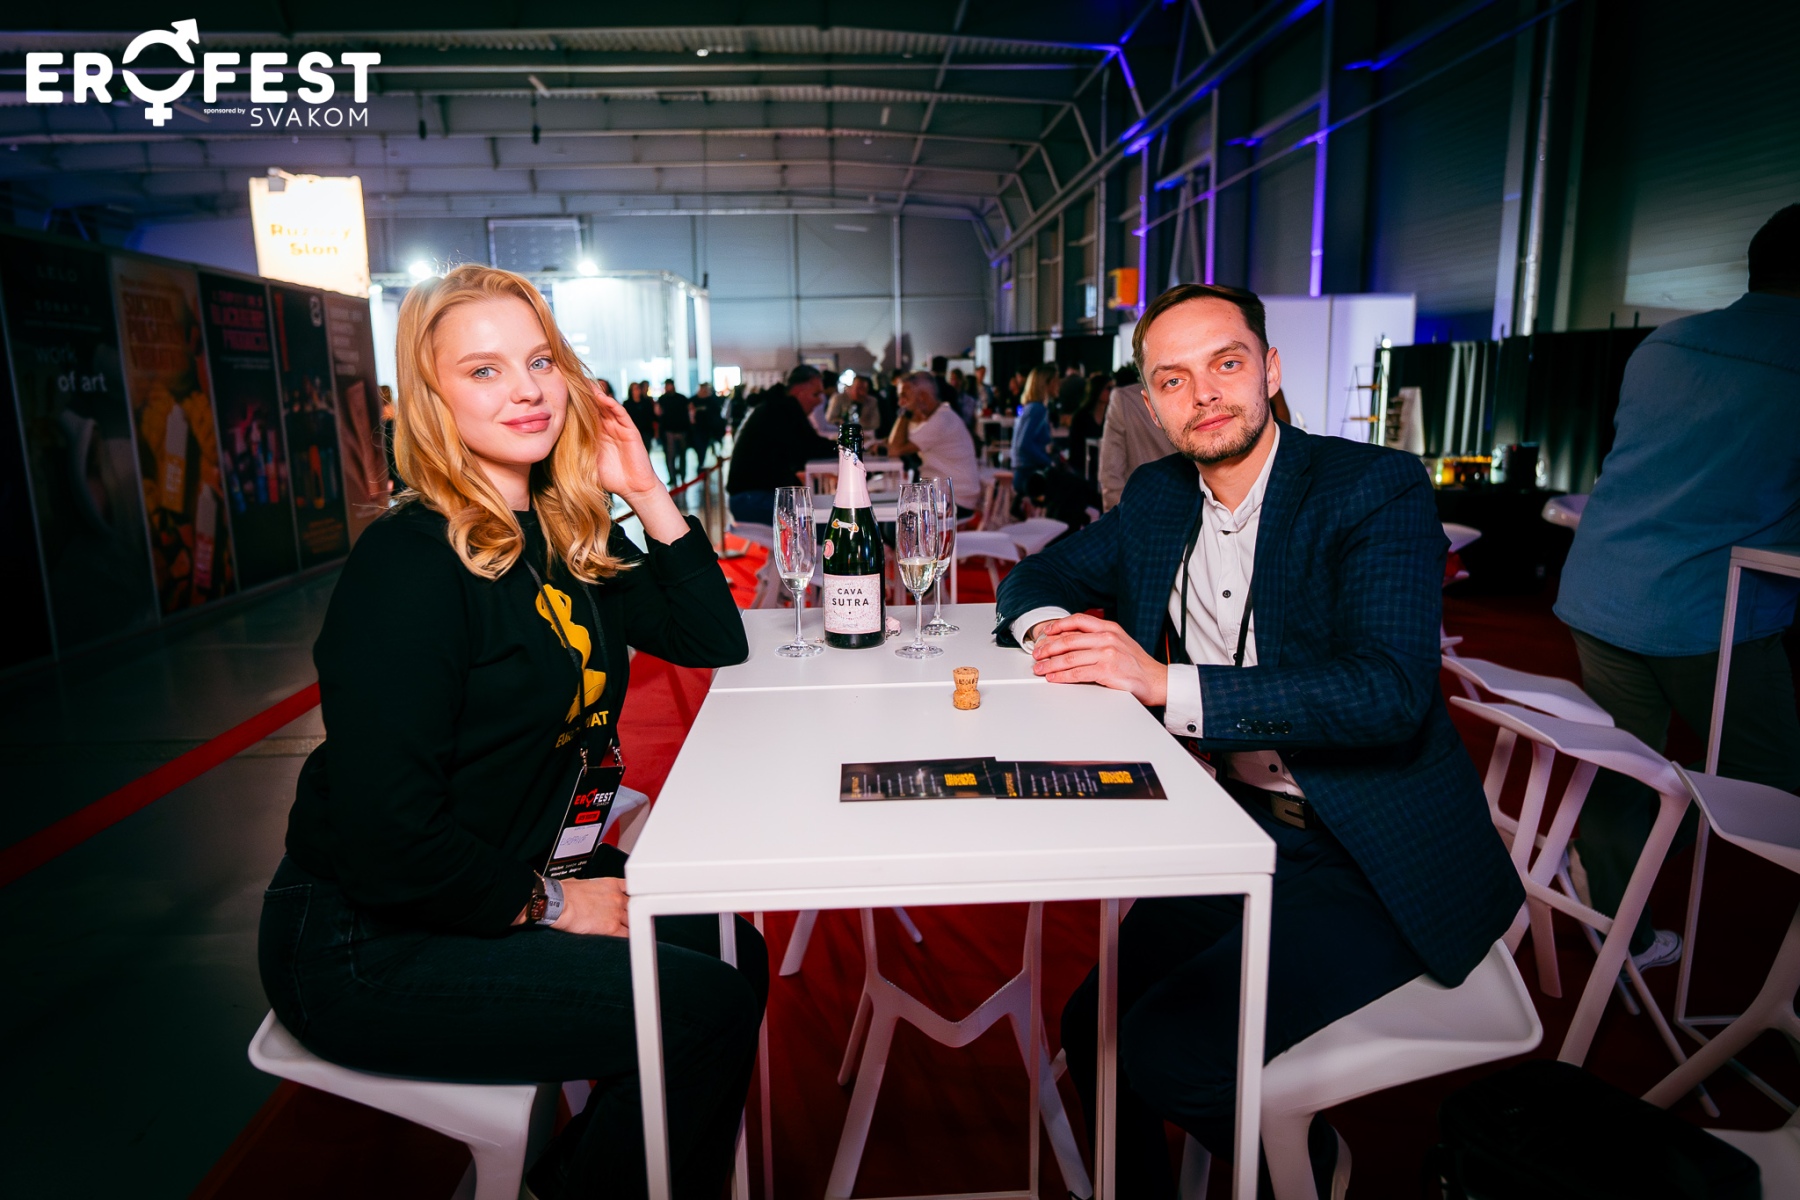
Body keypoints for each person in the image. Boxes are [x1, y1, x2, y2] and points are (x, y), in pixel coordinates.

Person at [996, 282, 1520, 1197]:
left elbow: (1390, 695)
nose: (1203, 394)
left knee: (1167, 1055)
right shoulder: (1159, 496)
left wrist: (1161, 683)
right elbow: (1034, 578)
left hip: (1374, 856)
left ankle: (1307, 1171)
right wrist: (1057, 633)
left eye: (1226, 364)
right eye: (1173, 379)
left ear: (1270, 371)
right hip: (1244, 834)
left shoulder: (1371, 486)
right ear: (1150, 404)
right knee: (1092, 1028)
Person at [257, 264, 762, 1200]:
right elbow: (386, 836)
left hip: (503, 868)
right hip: (369, 943)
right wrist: (555, 904)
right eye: (484, 370)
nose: (526, 390)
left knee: (732, 944)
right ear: (433, 399)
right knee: (704, 1010)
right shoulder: (409, 565)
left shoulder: (566, 534)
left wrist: (643, 489)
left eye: (539, 361)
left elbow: (712, 639)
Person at [1554, 204, 1800, 969]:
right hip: (1705, 607)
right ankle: (1635, 862)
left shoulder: (1666, 343)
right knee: (1772, 786)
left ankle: (1617, 922)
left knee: (1625, 764)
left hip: (1603, 585)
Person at [725, 363, 837, 525]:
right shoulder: (784, 408)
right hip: (752, 499)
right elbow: (810, 447)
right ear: (799, 391)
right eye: (816, 394)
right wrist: (848, 447)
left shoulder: (776, 405)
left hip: (749, 497)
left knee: (823, 520)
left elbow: (799, 449)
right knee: (826, 526)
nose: (820, 401)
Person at [886, 369, 981, 518]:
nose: (900, 402)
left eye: (904, 396)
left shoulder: (941, 420)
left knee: (893, 521)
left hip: (954, 501)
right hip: (943, 496)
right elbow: (898, 442)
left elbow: (894, 449)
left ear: (922, 397)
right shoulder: (937, 417)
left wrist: (905, 412)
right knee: (892, 513)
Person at [1098, 364, 1176, 511]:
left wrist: (1121, 518)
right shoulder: (1204, 394)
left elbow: (1111, 474)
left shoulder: (1125, 400)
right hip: (1199, 511)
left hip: (1142, 508)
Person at [1010, 363, 1057, 493]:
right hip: (1029, 474)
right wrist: (1049, 462)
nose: (1059, 384)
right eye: (1056, 381)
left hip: (1021, 471)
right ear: (1046, 384)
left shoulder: (1030, 407)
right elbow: (1023, 444)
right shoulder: (1038, 409)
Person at [1067, 370, 1113, 479]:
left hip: (1105, 471)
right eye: (1108, 388)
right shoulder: (1081, 417)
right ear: (1097, 390)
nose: (1112, 392)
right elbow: (1075, 448)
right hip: (1083, 471)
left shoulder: (1112, 416)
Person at [655, 378, 691, 488]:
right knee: (671, 456)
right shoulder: (663, 399)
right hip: (669, 431)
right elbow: (658, 413)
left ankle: (681, 476)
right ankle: (673, 477)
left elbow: (689, 411)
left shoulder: (681, 398)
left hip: (680, 430)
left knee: (681, 455)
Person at [624, 379, 658, 451]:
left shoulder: (646, 402)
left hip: (646, 431)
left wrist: (655, 430)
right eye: (635, 389)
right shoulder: (627, 404)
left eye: (638, 388)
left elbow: (651, 417)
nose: (637, 391)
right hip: (633, 432)